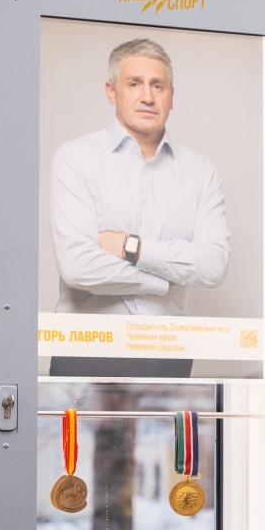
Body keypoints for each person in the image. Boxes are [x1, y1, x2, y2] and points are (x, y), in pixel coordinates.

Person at [49, 38, 229, 377]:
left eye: (157, 85)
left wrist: (130, 246)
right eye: (134, 83)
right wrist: (163, 280)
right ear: (111, 91)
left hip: (168, 354)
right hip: (86, 352)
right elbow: (77, 267)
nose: (147, 96)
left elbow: (213, 265)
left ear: (171, 96)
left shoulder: (200, 171)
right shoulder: (76, 159)